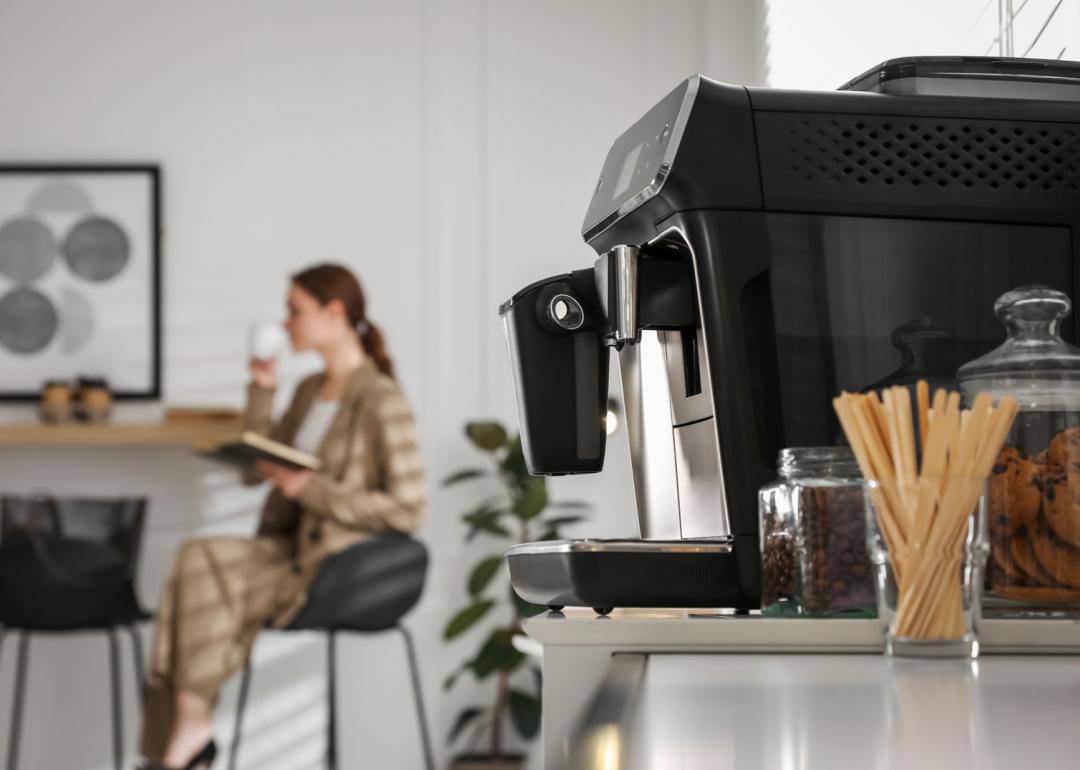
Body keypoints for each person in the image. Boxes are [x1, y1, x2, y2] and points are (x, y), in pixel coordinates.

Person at [138, 264, 426, 770]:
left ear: (334, 313)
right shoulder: (309, 389)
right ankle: (190, 728)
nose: (285, 323)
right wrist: (262, 389)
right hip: (287, 548)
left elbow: (408, 508)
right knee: (196, 555)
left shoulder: (381, 400)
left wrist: (310, 489)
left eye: (295, 311)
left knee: (207, 576)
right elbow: (257, 471)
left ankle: (184, 742)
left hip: (335, 563)